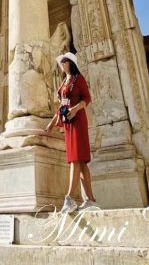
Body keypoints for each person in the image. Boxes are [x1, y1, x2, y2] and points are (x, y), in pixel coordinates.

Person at [45, 51, 98, 213]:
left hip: (78, 120)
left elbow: (87, 98)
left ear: (71, 63)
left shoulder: (78, 78)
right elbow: (62, 105)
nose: (62, 63)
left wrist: (74, 109)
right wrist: (52, 122)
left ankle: (69, 199)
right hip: (68, 122)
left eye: (65, 61)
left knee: (75, 159)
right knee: (80, 162)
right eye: (61, 61)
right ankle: (91, 200)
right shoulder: (64, 82)